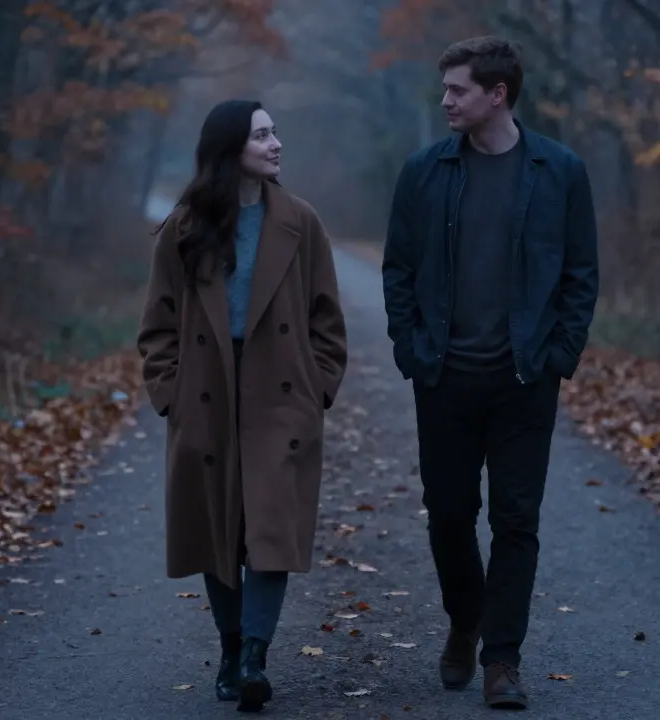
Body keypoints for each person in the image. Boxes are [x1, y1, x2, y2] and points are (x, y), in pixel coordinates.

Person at [381, 36, 599, 710]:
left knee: (516, 519)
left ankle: (502, 659)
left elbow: (580, 275)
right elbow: (399, 269)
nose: (446, 100)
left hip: (524, 380)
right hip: (444, 377)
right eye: (446, 89)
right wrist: (412, 351)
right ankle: (465, 620)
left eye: (458, 90)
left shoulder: (559, 170)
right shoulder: (424, 171)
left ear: (496, 95)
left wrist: (558, 356)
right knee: (449, 516)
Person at [136, 99, 348, 713]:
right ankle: (230, 648)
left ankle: (255, 654)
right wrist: (170, 393)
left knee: (270, 527)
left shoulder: (301, 223)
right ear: (232, 149)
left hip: (280, 396)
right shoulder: (185, 227)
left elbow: (326, 320)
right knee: (218, 530)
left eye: (275, 131)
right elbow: (158, 325)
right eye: (261, 135)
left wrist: (318, 389)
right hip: (206, 393)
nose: (276, 143)